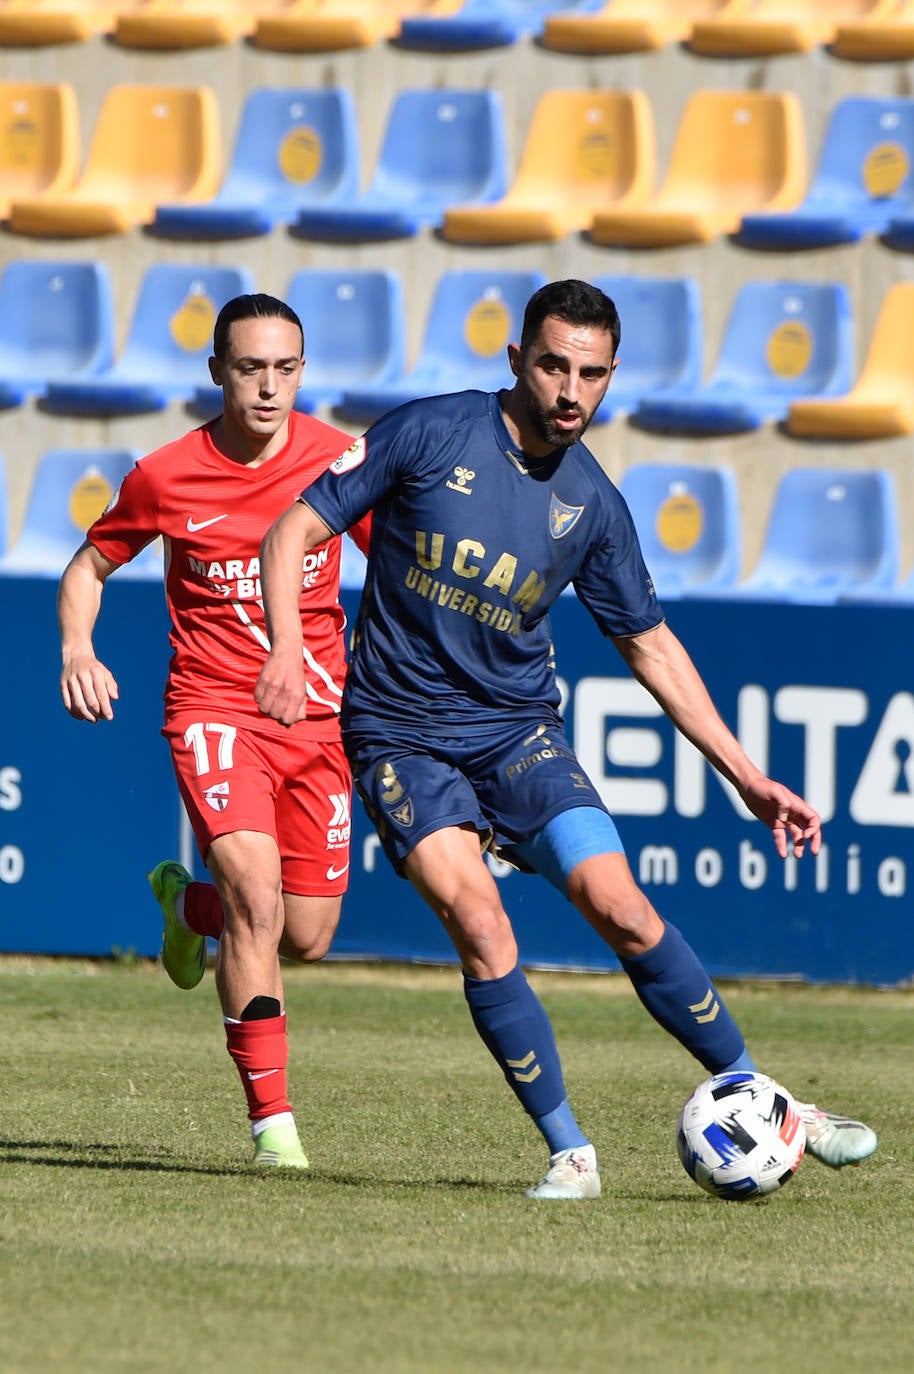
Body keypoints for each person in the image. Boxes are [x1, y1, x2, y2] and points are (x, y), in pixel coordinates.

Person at [254, 278, 878, 1200]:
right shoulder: (431, 433)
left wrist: (747, 775)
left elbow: (651, 646)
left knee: (622, 907)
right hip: (401, 735)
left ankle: (771, 1102)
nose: (570, 391)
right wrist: (287, 647)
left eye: (590, 373)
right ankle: (570, 1154)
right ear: (517, 361)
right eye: (553, 365)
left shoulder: (592, 503)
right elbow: (294, 528)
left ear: (612, 374)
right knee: (478, 916)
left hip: (517, 735)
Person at [58, 293, 370, 1170]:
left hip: (316, 720)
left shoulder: (338, 461)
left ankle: (186, 907)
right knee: (260, 906)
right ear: (217, 373)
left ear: (302, 371)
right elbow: (88, 566)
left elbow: (404, 558)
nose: (269, 389)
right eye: (250, 369)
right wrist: (78, 646)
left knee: (305, 933)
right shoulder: (167, 474)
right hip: (215, 709)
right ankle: (274, 1130)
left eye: (286, 369)